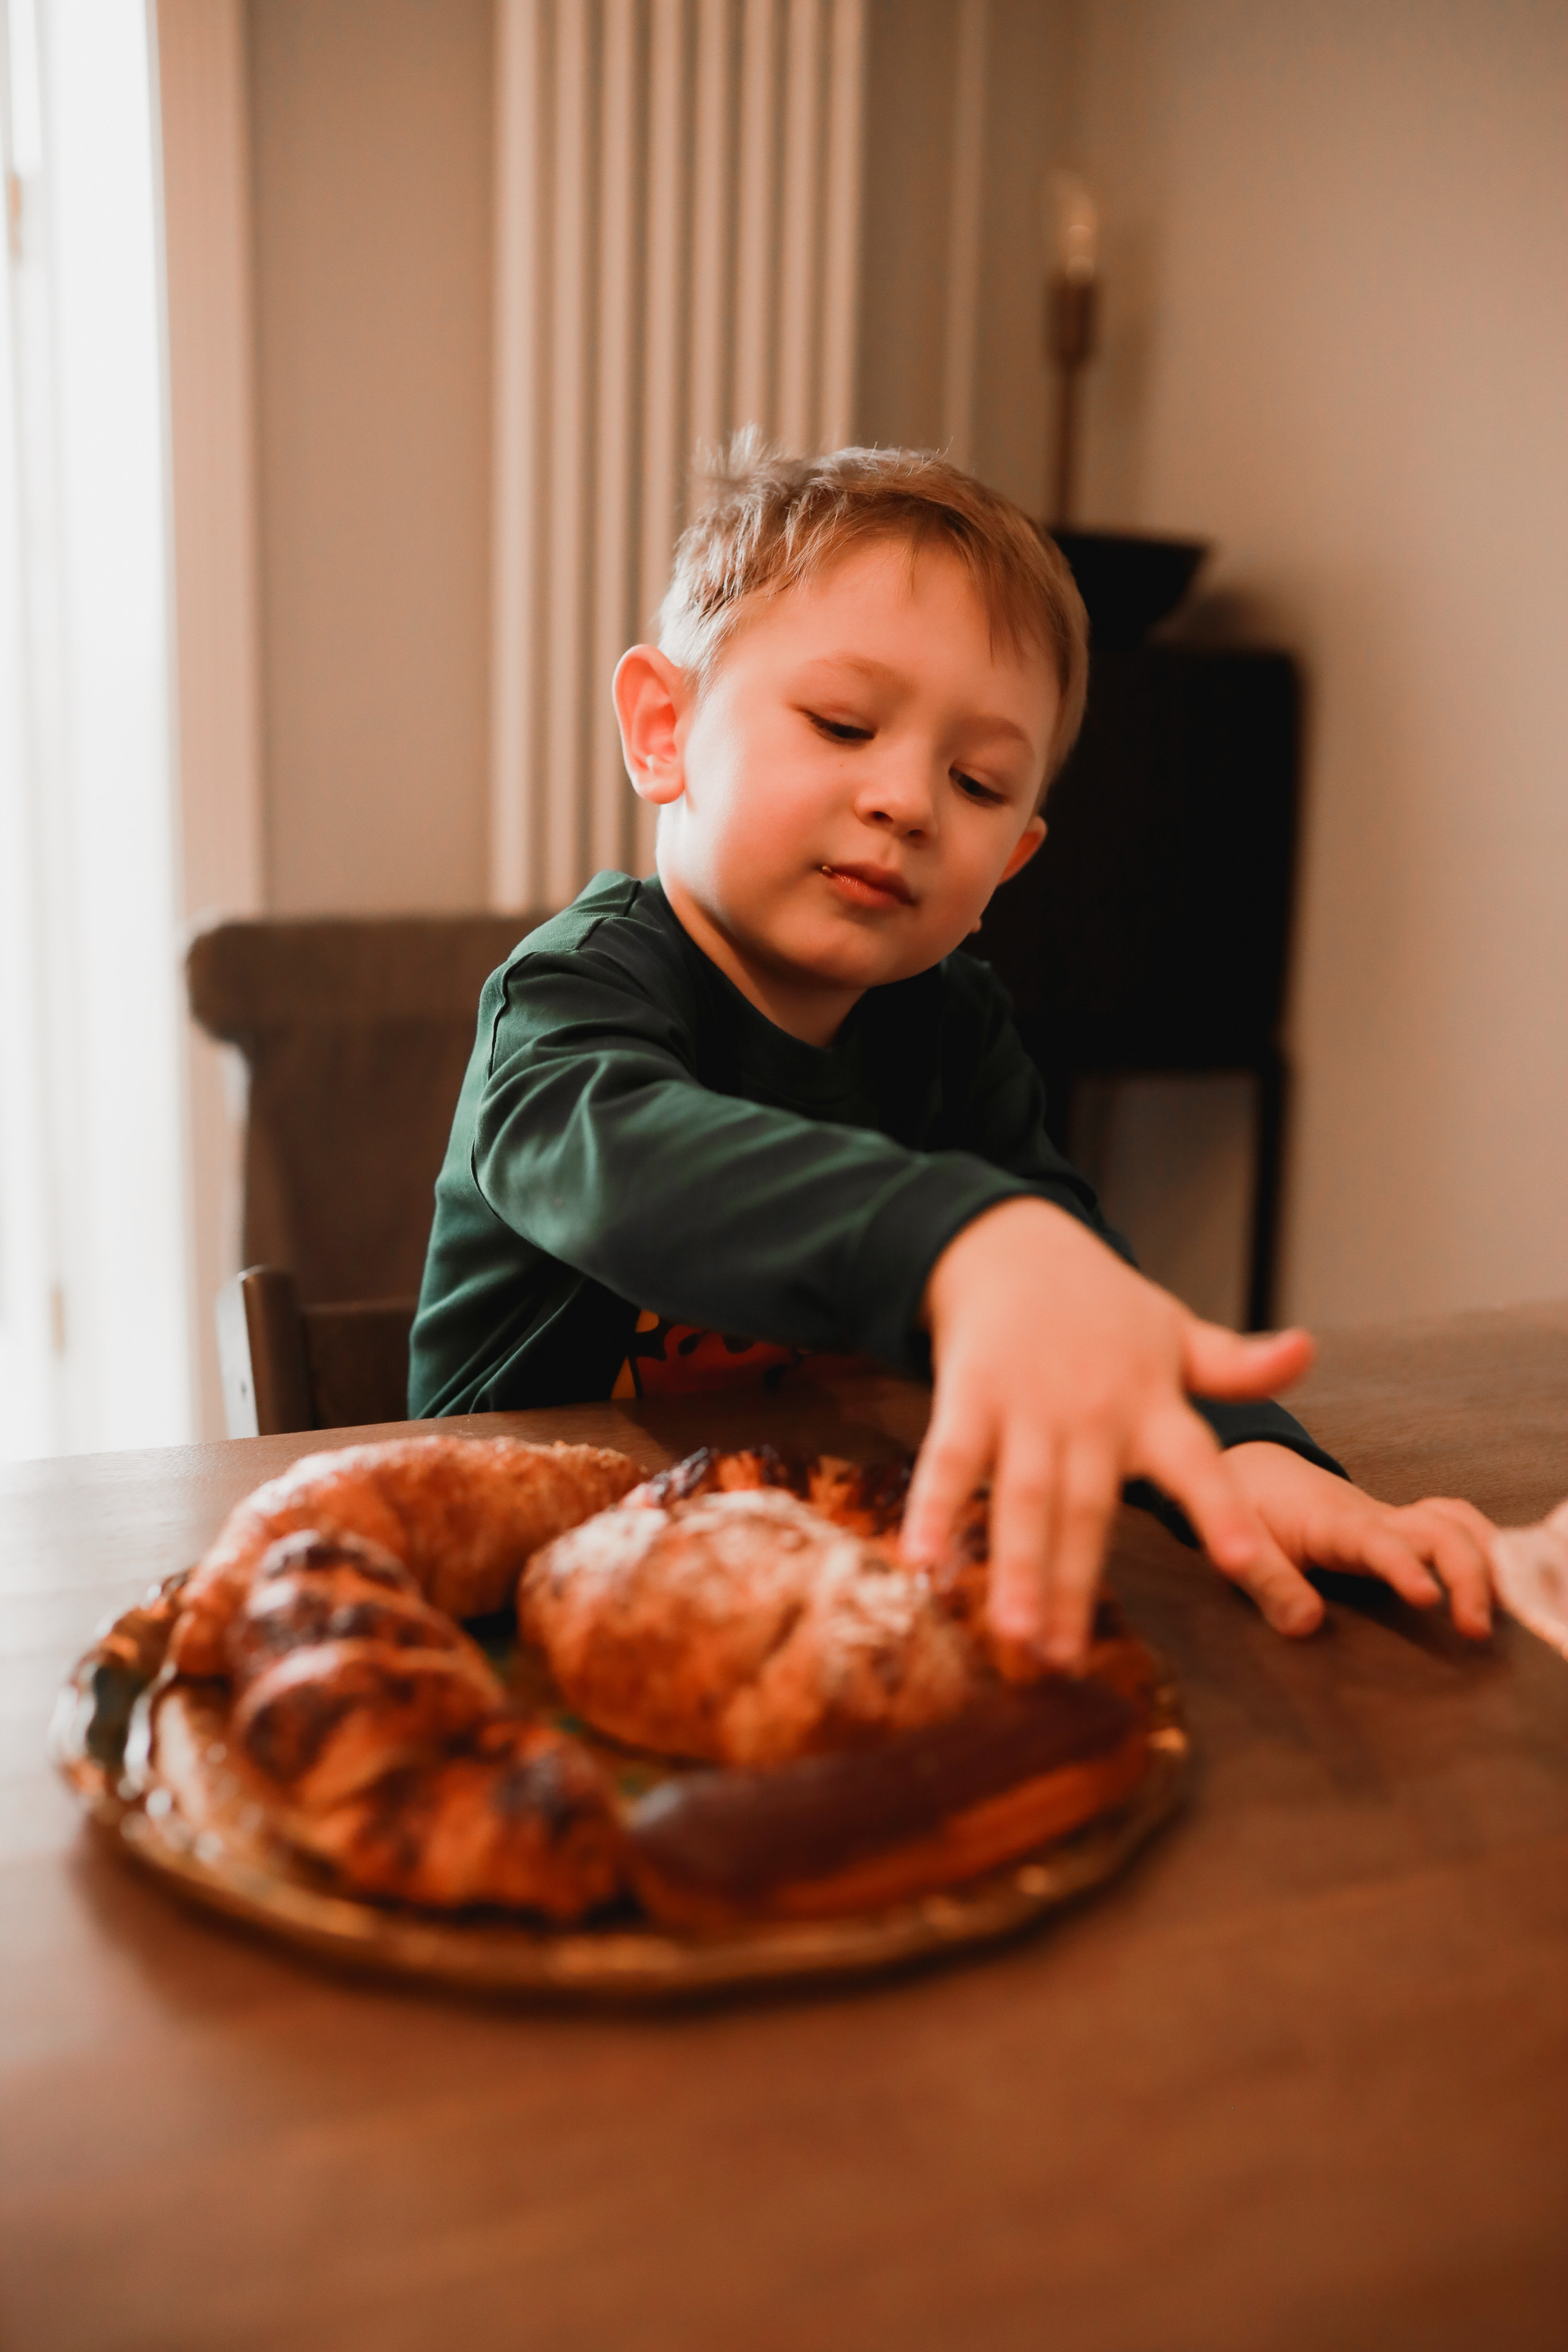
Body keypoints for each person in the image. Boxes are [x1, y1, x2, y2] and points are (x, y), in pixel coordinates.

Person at [410, 438, 1494, 1667]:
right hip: (497, 1600)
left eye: (976, 783)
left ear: (1007, 870)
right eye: (840, 723)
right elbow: (616, 1161)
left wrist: (1252, 1463)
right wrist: (953, 1235)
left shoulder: (951, 1023)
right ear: (664, 728)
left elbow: (1074, 1290)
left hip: (803, 1577)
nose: (908, 801)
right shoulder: (570, 994)